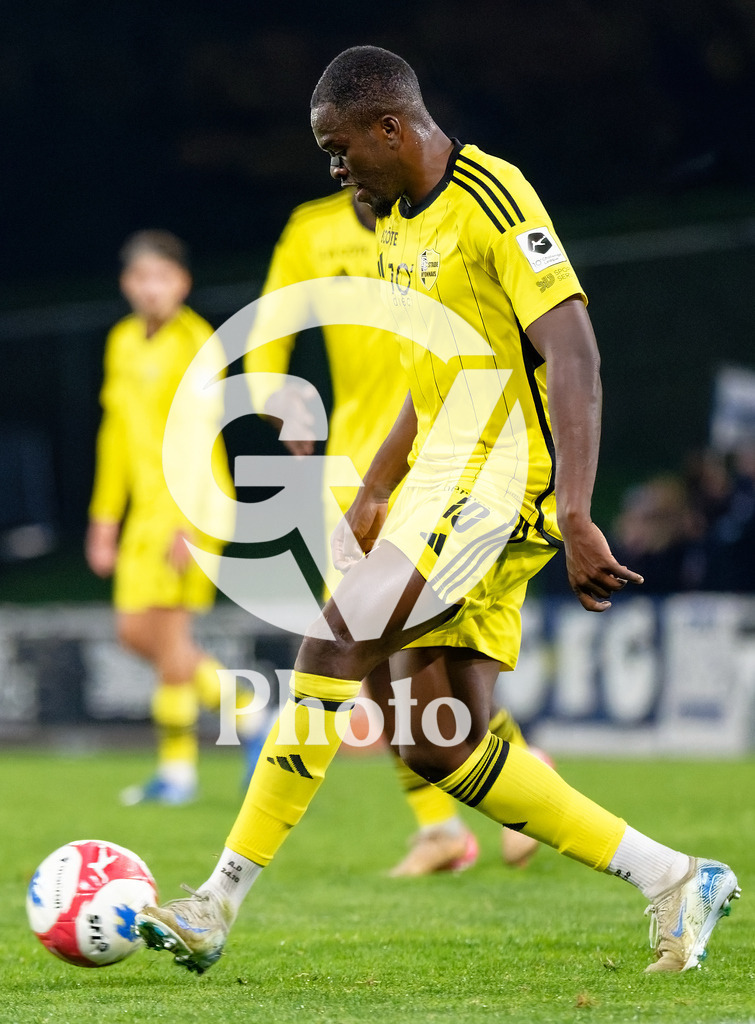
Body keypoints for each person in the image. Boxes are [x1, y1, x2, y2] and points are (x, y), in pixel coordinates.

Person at [137, 47, 740, 974]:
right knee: (436, 742)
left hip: (503, 485)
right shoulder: (392, 224)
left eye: (341, 149)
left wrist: (576, 512)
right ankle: (674, 877)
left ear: (391, 127)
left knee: (332, 640)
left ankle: (217, 901)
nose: (335, 169)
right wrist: (379, 483)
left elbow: (571, 353)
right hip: (439, 481)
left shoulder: (493, 200)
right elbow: (437, 373)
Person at [244, 185, 551, 874]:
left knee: (383, 647)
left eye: (345, 146)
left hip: (445, 454)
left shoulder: (431, 220)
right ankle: (448, 816)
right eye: (333, 151)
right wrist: (277, 398)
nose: (342, 163)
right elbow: (271, 324)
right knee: (371, 662)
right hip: (357, 465)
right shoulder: (311, 227)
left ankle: (496, 774)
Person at [86, 229, 236, 806]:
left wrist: (190, 521)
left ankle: (177, 771)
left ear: (183, 284)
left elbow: (197, 441)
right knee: (133, 633)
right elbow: (116, 436)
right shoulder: (123, 342)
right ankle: (248, 713)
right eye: (141, 278)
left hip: (191, 508)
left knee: (172, 639)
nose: (152, 289)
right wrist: (104, 520)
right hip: (144, 516)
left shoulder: (198, 344)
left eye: (163, 278)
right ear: (128, 285)